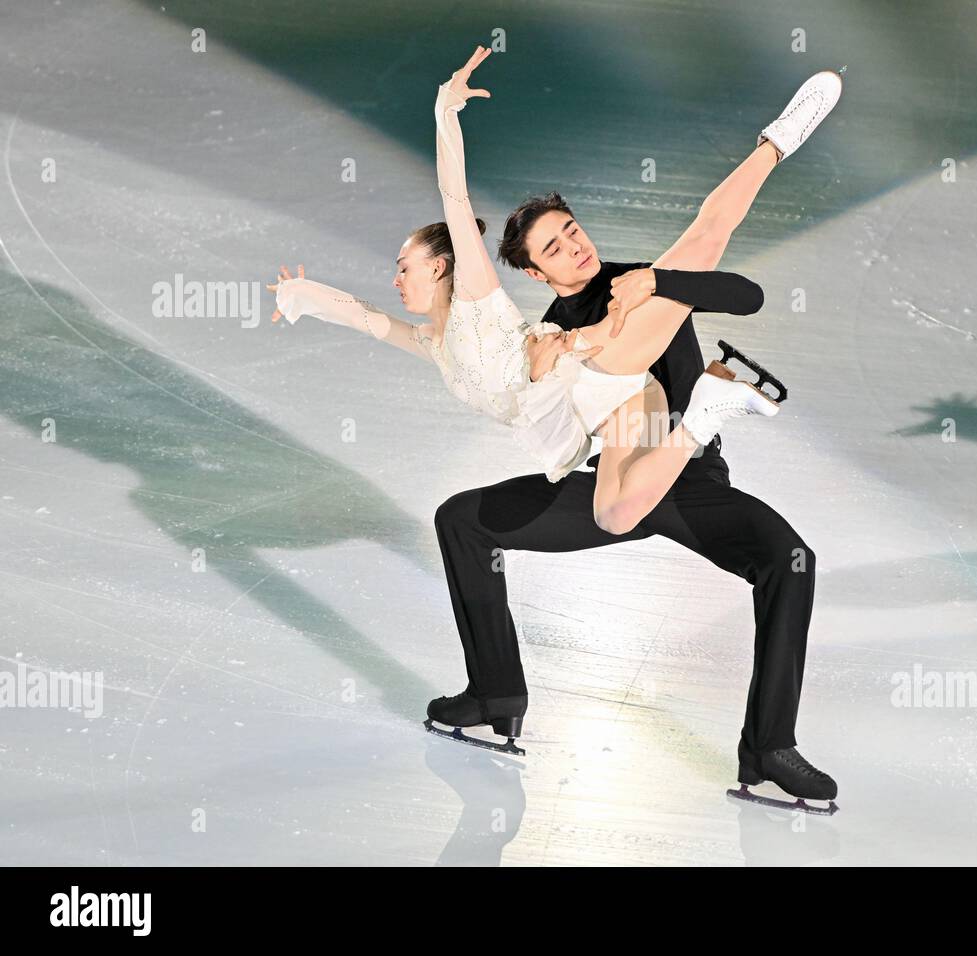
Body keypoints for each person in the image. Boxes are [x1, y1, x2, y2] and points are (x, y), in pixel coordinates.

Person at [431, 51, 845, 811]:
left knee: (790, 559)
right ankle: (495, 693)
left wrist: (661, 282)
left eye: (572, 230)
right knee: (461, 521)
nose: (574, 246)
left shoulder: (637, 282)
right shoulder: (553, 330)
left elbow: (741, 288)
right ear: (533, 273)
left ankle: (770, 749)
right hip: (613, 481)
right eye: (552, 247)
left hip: (688, 484)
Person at [269, 47, 776, 544]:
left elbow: (454, 196)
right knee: (615, 516)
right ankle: (706, 411)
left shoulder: (476, 299)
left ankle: (773, 145)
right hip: (607, 408)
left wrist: (446, 109)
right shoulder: (435, 347)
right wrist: (300, 293)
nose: (397, 281)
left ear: (440, 265)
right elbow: (366, 318)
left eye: (404, 268)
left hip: (604, 367)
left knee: (702, 242)